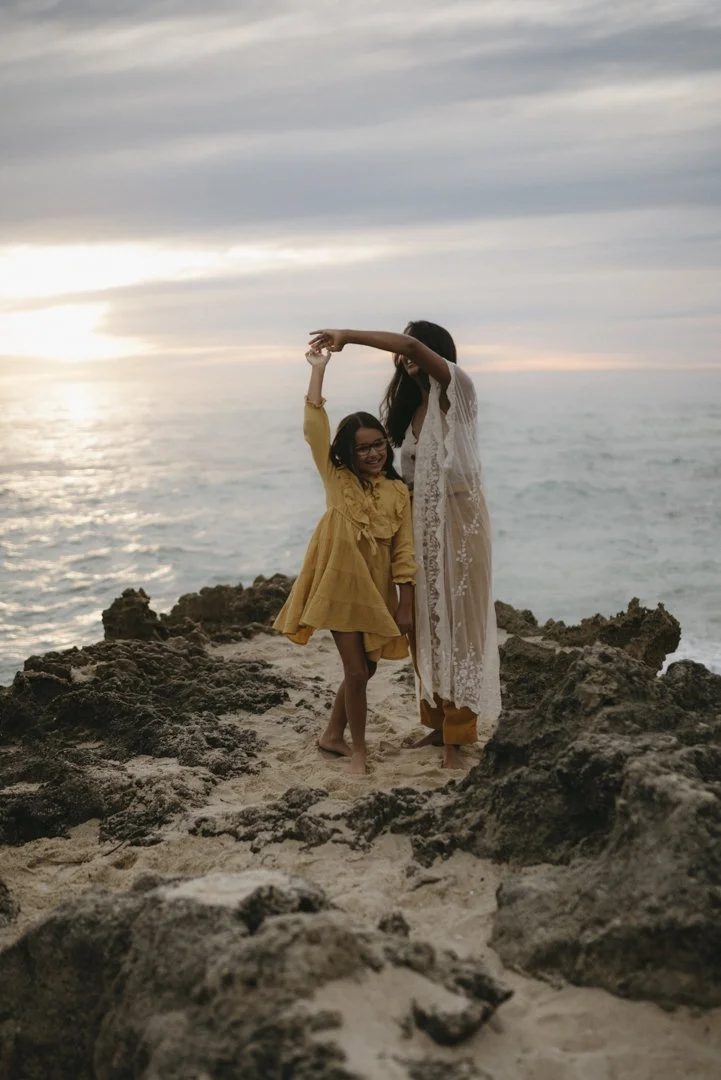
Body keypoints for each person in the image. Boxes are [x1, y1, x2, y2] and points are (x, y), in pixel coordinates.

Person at [308, 323, 501, 769]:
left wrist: (349, 336)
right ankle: (437, 726)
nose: (407, 350)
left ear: (438, 351)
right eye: (404, 346)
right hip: (418, 523)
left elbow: (413, 345)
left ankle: (457, 737)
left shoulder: (459, 389)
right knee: (423, 629)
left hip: (458, 523)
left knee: (457, 626)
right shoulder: (412, 407)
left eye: (416, 343)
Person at [273, 346, 416, 776]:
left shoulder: (398, 492)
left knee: (366, 669)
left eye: (378, 446)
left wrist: (405, 601)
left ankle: (331, 735)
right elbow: (314, 425)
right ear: (347, 454)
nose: (373, 455)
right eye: (362, 450)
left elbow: (404, 551)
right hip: (338, 585)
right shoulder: (335, 479)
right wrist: (318, 371)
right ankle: (358, 751)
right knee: (355, 671)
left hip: (376, 589)